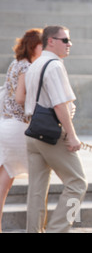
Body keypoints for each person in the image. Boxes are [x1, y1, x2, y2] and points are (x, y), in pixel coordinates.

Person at [24, 25, 87, 233]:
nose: (70, 44)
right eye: (65, 40)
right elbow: (60, 104)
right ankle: (57, 230)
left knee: (36, 189)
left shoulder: (35, 64)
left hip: (33, 132)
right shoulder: (54, 65)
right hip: (51, 133)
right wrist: (71, 134)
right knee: (77, 183)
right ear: (50, 41)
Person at [0, 29, 42, 232]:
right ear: (34, 46)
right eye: (43, 45)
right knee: (40, 176)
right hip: (18, 126)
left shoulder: (14, 63)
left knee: (4, 181)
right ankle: (36, 226)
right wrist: (43, 104)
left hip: (6, 125)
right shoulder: (26, 66)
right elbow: (20, 97)